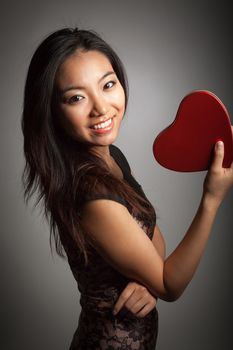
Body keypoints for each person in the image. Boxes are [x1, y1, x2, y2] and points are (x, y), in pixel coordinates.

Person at [21, 27, 233, 349]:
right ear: (51, 111)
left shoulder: (110, 158)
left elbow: (151, 238)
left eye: (108, 85)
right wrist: (211, 199)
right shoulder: (91, 196)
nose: (101, 107)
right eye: (76, 97)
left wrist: (147, 281)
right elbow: (170, 285)